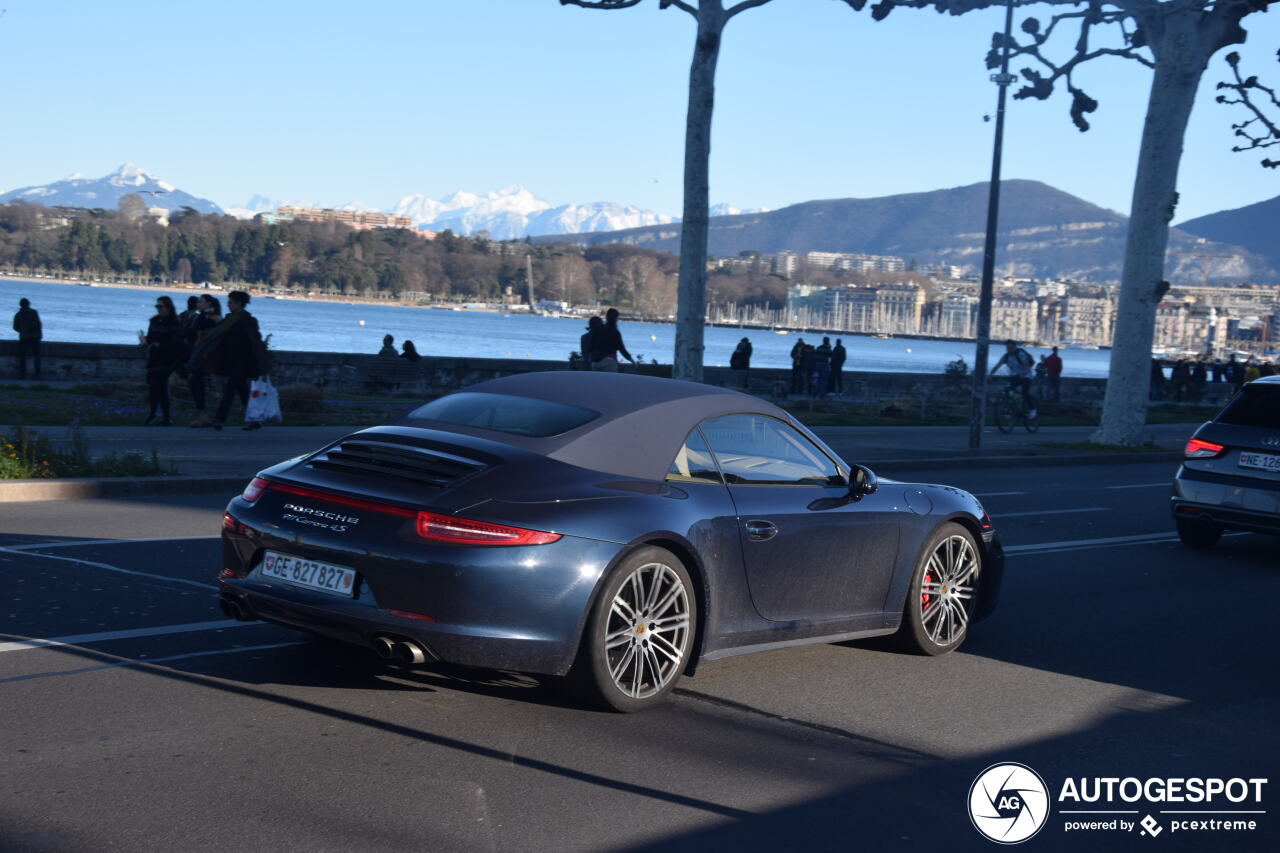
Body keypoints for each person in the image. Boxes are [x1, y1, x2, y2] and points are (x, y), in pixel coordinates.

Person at [202, 291, 270, 431]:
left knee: (230, 389)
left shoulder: (248, 320)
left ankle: (219, 419)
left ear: (239, 303)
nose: (228, 304)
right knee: (242, 390)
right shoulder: (229, 319)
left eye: (231, 302)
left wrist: (260, 362)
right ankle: (255, 420)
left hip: (243, 361)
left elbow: (255, 341)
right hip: (231, 361)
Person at [139, 295, 182, 426]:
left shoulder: (174, 322)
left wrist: (161, 345)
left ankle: (160, 416)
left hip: (167, 359)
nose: (158, 309)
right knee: (155, 387)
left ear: (168, 307)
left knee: (159, 385)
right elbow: (151, 338)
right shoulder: (154, 321)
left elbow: (176, 343)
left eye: (160, 306)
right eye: (157, 306)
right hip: (154, 358)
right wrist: (145, 341)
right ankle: (163, 416)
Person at [186, 294, 222, 427]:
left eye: (201, 302)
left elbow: (201, 326)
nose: (198, 304)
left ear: (209, 304)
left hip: (207, 356)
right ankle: (202, 414)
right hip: (199, 353)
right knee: (195, 382)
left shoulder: (214, 318)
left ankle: (204, 415)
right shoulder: (202, 316)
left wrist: (205, 314)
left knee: (197, 382)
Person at [991, 339, 1036, 418]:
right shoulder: (1006, 356)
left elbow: (1026, 364)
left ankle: (1032, 409)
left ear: (1015, 347)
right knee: (1008, 390)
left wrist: (1024, 372)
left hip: (1026, 376)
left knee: (1024, 392)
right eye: (1008, 348)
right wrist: (990, 374)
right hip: (1015, 376)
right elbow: (998, 365)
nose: (1009, 350)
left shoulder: (1020, 354)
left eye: (1011, 348)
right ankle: (1013, 409)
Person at [591, 308, 635, 372]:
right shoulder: (615, 332)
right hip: (609, 361)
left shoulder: (598, 329)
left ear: (606, 317)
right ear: (615, 319)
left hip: (596, 362)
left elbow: (591, 345)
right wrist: (632, 360)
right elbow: (622, 349)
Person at [12, 297, 42, 379]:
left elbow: (15, 327)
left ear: (20, 305)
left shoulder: (18, 315)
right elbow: (39, 324)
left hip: (24, 337)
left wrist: (22, 331)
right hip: (35, 337)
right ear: (28, 304)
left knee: (23, 357)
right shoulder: (34, 312)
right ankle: (37, 375)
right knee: (36, 356)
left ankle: (22, 375)